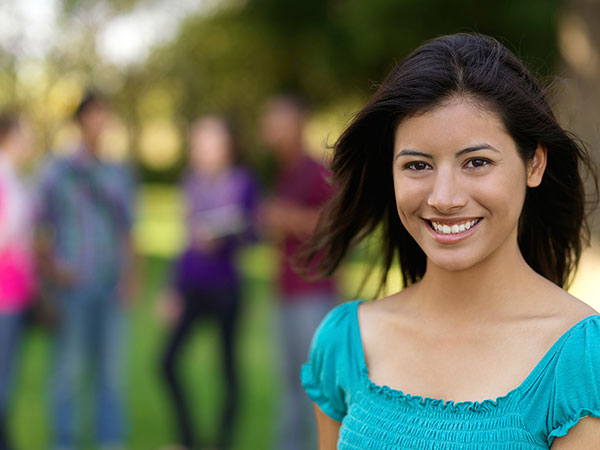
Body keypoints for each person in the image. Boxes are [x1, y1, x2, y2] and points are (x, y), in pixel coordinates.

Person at [299, 33, 600, 449]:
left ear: (534, 163)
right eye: (417, 165)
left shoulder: (581, 361)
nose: (443, 198)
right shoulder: (345, 343)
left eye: (477, 162)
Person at [36, 92, 136, 450]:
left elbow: (129, 229)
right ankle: (63, 441)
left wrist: (131, 277)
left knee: (111, 371)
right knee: (68, 371)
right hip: (71, 289)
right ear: (79, 121)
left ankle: (110, 439)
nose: (99, 124)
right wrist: (51, 268)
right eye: (92, 116)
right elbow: (37, 227)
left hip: (110, 285)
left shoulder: (119, 173)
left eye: (104, 117)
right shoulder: (56, 171)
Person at [159, 116, 257, 450]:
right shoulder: (190, 181)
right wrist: (171, 289)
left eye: (209, 141)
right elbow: (184, 239)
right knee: (166, 362)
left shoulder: (243, 181)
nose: (201, 148)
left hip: (226, 289)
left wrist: (226, 237)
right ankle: (188, 438)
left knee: (228, 371)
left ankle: (221, 443)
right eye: (198, 141)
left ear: (226, 146)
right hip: (191, 287)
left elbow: (254, 234)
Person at [260, 95, 338, 450]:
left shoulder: (318, 170)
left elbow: (337, 224)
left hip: (313, 295)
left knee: (315, 390)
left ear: (297, 125)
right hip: (286, 294)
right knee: (289, 386)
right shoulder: (284, 172)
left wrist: (285, 218)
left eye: (277, 124)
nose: (270, 132)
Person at [0, 113, 36, 450]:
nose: (31, 142)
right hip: (4, 294)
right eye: (26, 134)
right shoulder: (3, 177)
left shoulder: (14, 176)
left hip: (15, 292)